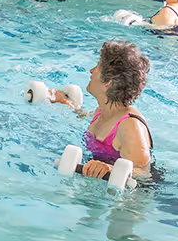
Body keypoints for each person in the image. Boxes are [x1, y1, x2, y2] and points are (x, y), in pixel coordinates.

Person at [49, 40, 153, 178]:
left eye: (97, 66)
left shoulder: (130, 126)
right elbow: (86, 116)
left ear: (108, 81)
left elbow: (144, 173)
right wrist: (66, 103)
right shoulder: (103, 110)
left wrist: (109, 168)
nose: (91, 71)